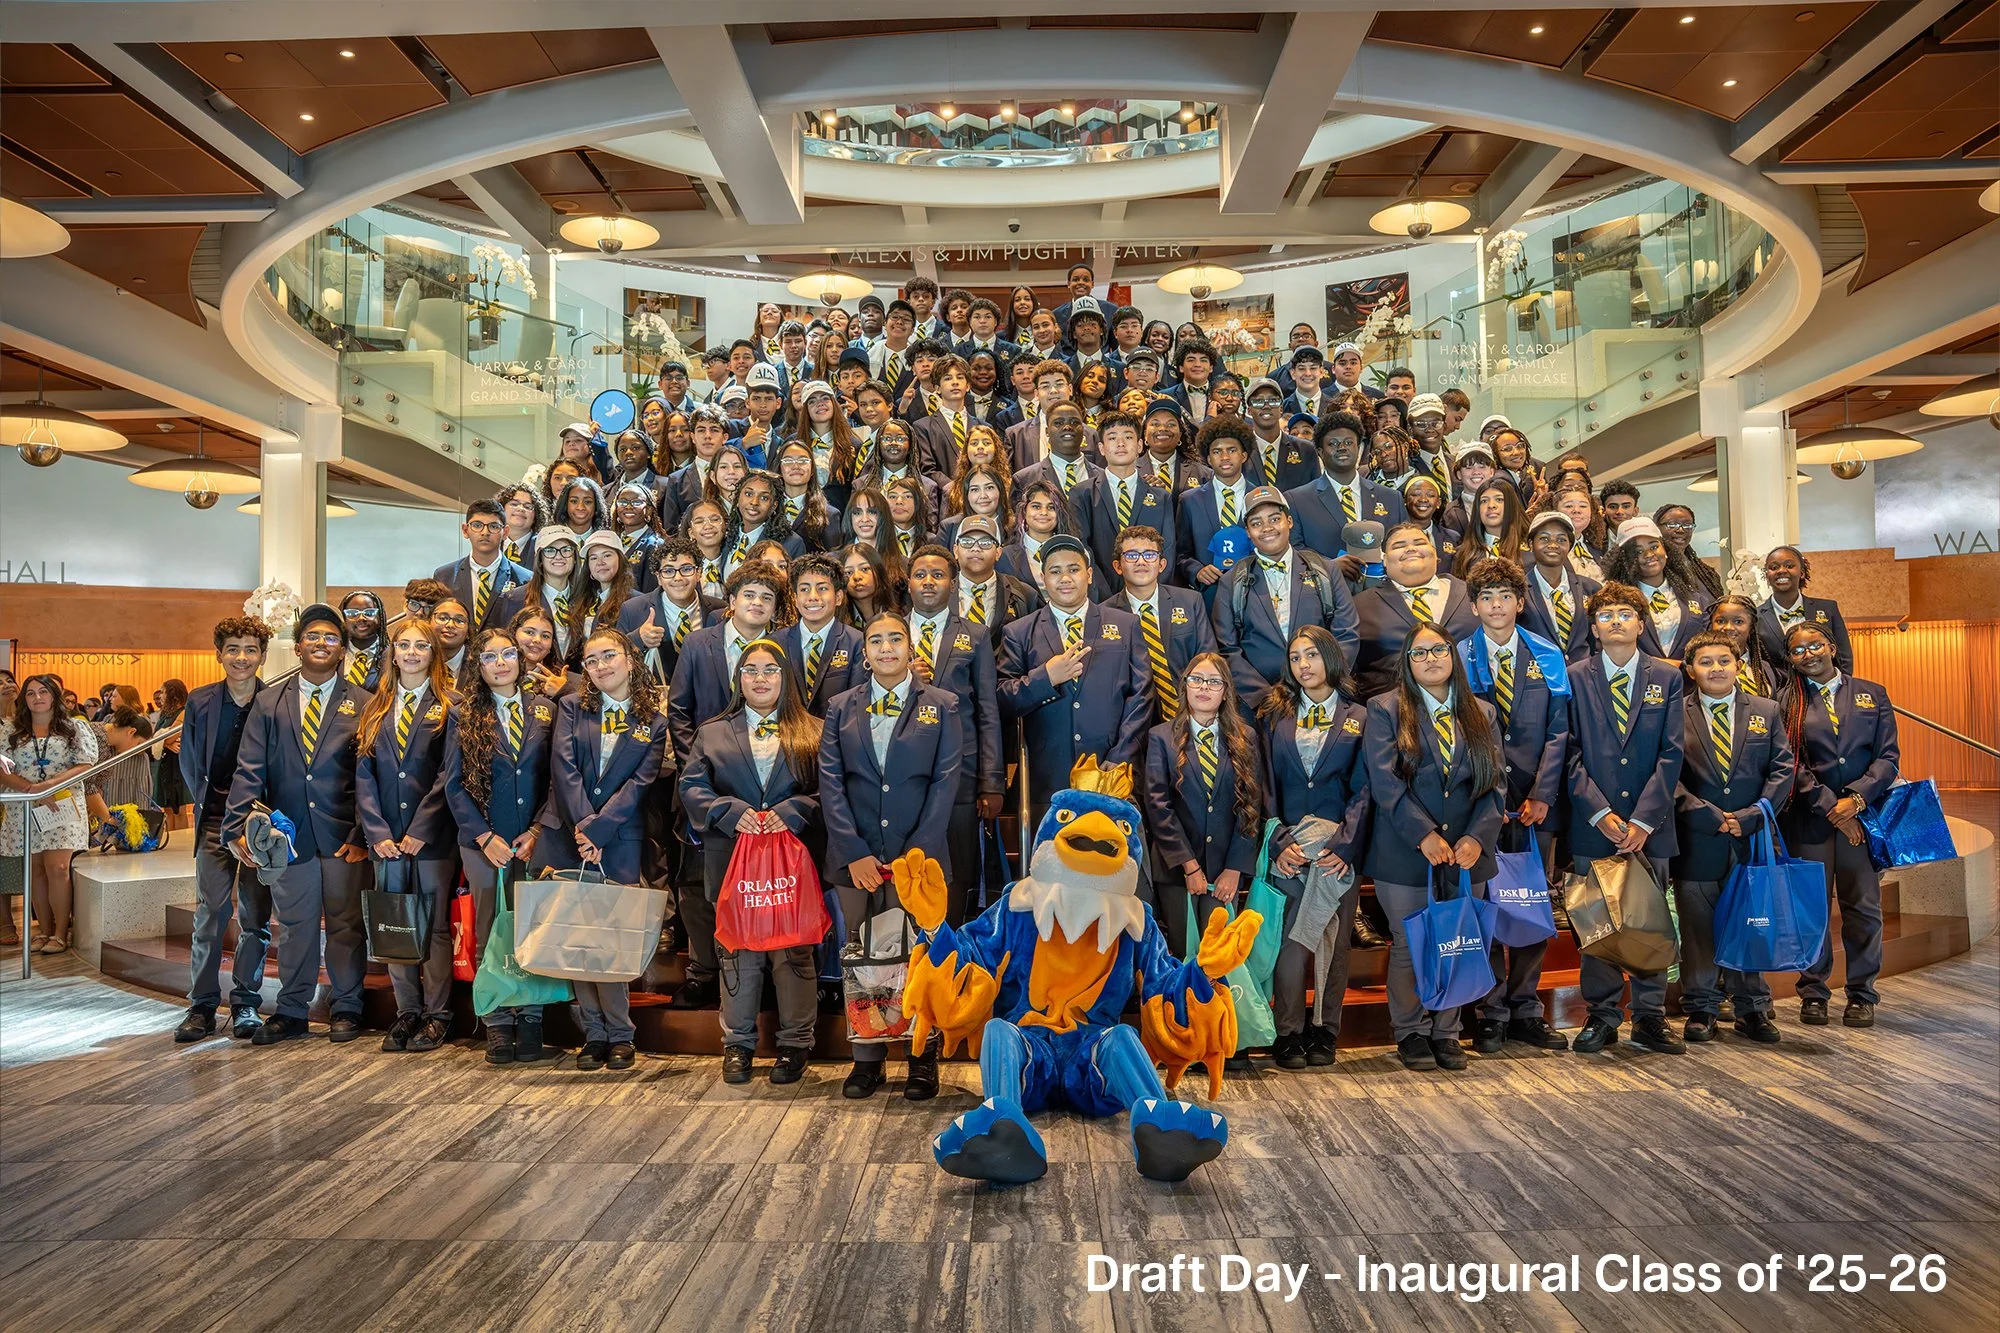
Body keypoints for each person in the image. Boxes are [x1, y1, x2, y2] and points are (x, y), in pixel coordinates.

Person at [820, 611, 962, 1099]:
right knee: (862, 959)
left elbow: (945, 784)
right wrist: (854, 851)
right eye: (876, 640)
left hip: (918, 861)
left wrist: (914, 857)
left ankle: (923, 1059)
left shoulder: (942, 704)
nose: (885, 648)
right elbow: (831, 786)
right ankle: (867, 1058)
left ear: (910, 647)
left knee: (919, 959)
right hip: (854, 859)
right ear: (865, 653)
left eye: (895, 639)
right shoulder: (840, 707)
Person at [222, 605, 370, 1047]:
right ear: (298, 645)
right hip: (287, 838)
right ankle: (291, 1009)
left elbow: (370, 775)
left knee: (345, 925)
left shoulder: (363, 702)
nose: (321, 643)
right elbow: (249, 769)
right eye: (313, 636)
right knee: (295, 925)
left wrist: (363, 834)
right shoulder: (269, 702)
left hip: (345, 838)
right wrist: (236, 825)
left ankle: (347, 1005)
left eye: (330, 637)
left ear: (342, 649)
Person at [1361, 619, 1506, 1071]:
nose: (1430, 659)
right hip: (1406, 851)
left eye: (1438, 650)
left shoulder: (1480, 712)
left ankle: (1446, 1031)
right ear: (1406, 662)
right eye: (1419, 653)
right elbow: (1385, 784)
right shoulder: (1384, 709)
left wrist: (1477, 840)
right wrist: (1424, 834)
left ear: (1453, 655)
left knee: (1460, 941)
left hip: (1466, 853)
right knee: (1410, 944)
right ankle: (1410, 1031)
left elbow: (1496, 786)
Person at [679, 640, 825, 1085]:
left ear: (787, 678)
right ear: (737, 680)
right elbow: (691, 788)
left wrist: (794, 811)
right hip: (731, 860)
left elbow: (831, 794)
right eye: (750, 670)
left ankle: (795, 1045)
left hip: (792, 862)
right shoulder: (713, 731)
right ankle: (738, 1045)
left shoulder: (815, 729)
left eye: (770, 670)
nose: (760, 678)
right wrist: (727, 811)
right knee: (737, 953)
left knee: (792, 951)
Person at [1564, 581, 1686, 1056]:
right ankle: (1603, 1015)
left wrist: (1643, 820)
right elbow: (1568, 752)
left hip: (1649, 827)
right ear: (1593, 627)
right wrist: (1601, 813)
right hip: (1594, 823)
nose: (1616, 620)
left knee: (1650, 921)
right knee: (1598, 923)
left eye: (1625, 613)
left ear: (1641, 623)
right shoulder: (1575, 675)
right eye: (1606, 614)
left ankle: (1651, 1017)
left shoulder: (1668, 677)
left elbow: (1672, 753)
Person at [542, 628, 672, 1071]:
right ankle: (593, 1033)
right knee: (578, 938)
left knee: (609, 940)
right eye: (592, 660)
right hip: (570, 835)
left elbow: (640, 783)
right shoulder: (571, 706)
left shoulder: (653, 720)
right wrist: (583, 826)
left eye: (609, 656)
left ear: (630, 660)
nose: (600, 666)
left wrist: (600, 830)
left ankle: (621, 1033)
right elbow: (565, 768)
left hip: (619, 838)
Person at [1456, 558, 1572, 1053]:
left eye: (1505, 596)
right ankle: (1490, 1010)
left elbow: (1559, 730)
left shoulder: (1547, 654)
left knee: (1528, 904)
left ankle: (1526, 1007)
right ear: (1475, 605)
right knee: (1483, 907)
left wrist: (1542, 793)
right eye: (1486, 598)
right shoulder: (1458, 655)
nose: (1496, 605)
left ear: (1520, 603)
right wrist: (1487, 796)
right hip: (1479, 801)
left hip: (1533, 805)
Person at [1253, 625, 1371, 1069]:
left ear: (1331, 659)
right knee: (1289, 941)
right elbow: (1264, 784)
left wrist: (1345, 844)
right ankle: (1288, 1031)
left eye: (1312, 655)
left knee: (1333, 942)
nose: (1304, 665)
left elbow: (1366, 788)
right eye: (1296, 657)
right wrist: (1278, 839)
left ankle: (1325, 1030)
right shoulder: (1273, 714)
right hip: (1289, 847)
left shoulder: (1360, 715)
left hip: (1338, 848)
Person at [1672, 630, 1794, 1046]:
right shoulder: (1674, 713)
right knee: (1698, 930)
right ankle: (1702, 1008)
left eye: (1724, 660)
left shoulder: (1766, 710)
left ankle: (1752, 1009)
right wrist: (1706, 815)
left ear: (1738, 666)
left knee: (1750, 925)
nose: (1716, 668)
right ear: (1691, 670)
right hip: (1697, 840)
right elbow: (1667, 775)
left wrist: (1752, 816)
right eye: (1706, 662)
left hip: (1750, 840)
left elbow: (1783, 770)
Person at [446, 629, 559, 1064]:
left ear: (519, 659)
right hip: (483, 844)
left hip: (534, 841)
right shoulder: (464, 714)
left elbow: (556, 780)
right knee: (491, 927)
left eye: (507, 654)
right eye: (489, 656)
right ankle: (497, 1020)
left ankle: (530, 1018)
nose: (500, 662)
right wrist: (484, 837)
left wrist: (536, 831)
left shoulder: (546, 711)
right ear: (478, 665)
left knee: (531, 929)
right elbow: (453, 786)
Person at [1780, 619, 1899, 1029]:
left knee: (1862, 909)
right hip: (1811, 821)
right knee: (1811, 911)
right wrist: (1833, 808)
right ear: (1790, 660)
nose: (1807, 654)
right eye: (1797, 650)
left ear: (1830, 646)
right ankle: (1813, 992)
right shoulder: (1786, 702)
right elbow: (1790, 765)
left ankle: (1862, 994)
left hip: (1862, 821)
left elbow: (1888, 758)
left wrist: (1856, 801)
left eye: (1814, 645)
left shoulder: (1872, 693)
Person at [353, 616, 459, 1053]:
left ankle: (437, 1015)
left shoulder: (450, 704)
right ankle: (407, 1011)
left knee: (433, 929)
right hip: (385, 842)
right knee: (394, 922)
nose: (412, 652)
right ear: (392, 653)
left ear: (434, 654)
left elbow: (449, 774)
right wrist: (376, 831)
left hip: (430, 840)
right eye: (404, 645)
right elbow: (364, 773)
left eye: (422, 646)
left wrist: (420, 828)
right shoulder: (375, 705)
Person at [997, 535, 1153, 826]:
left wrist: (1120, 754)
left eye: (1073, 569)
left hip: (1111, 774)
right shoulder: (1018, 632)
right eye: (1055, 571)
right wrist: (1046, 678)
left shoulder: (1125, 624)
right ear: (1043, 579)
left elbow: (1141, 694)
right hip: (1047, 779)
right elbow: (1003, 698)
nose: (1065, 578)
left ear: (1089, 574)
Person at [170, 618, 272, 1040]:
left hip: (260, 826)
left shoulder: (276, 700)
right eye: (233, 648)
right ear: (219, 653)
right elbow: (191, 762)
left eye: (250, 649)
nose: (241, 657)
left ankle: (247, 1003)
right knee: (211, 915)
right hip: (214, 822)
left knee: (255, 918)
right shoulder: (200, 701)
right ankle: (202, 1006)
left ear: (262, 655)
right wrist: (213, 808)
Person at [1142, 651, 1265, 965]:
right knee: (1183, 953)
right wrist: (1189, 866)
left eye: (1213, 681)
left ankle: (1217, 1015)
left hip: (1224, 868)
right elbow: (1159, 806)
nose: (1204, 688)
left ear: (1225, 692)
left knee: (1217, 958)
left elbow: (1251, 806)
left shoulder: (1245, 737)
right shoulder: (1161, 737)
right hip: (1177, 869)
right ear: (1184, 686)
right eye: (1196, 679)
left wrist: (1234, 869)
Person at [905, 545, 1005, 925]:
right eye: (920, 575)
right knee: (912, 869)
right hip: (905, 775)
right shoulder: (889, 634)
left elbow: (987, 711)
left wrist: (991, 782)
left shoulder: (976, 635)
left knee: (960, 871)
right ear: (909, 582)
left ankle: (957, 953)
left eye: (938, 575)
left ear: (953, 582)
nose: (928, 582)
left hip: (961, 775)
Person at [1213, 486, 1361, 712]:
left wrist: (1323, 684)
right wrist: (1264, 697)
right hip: (1262, 707)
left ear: (1289, 521)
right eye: (1256, 523)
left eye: (1274, 519)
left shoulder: (1325, 570)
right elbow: (1227, 649)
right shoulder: (1232, 581)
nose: (1267, 528)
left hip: (1326, 696)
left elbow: (1346, 633)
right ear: (1248, 533)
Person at [1, 673, 99, 958]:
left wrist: (48, 787)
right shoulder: (10, 730)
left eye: (43, 692)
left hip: (63, 805)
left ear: (55, 696)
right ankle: (43, 930)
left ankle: (59, 933)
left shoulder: (74, 727)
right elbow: (3, 770)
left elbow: (85, 764)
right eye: (30, 693)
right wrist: (32, 790)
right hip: (25, 806)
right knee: (36, 871)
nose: (37, 698)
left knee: (57, 869)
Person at [1350, 521, 1479, 699]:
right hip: (1396, 718)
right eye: (1399, 545)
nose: (1411, 549)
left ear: (1435, 554)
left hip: (1471, 710)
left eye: (1419, 543)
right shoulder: (1360, 606)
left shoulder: (1473, 594)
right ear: (1385, 560)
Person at [1111, 525, 1215, 728]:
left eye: (1149, 555)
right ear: (1118, 566)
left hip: (1191, 715)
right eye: (1131, 555)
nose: (1141, 561)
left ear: (1162, 564)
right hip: (1132, 724)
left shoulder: (1190, 601)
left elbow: (1209, 659)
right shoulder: (1105, 615)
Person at [1286, 410, 1406, 562]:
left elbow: (1404, 544)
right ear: (1320, 452)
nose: (1342, 447)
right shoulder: (1296, 500)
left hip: (1383, 582)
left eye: (1348, 442)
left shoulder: (1392, 498)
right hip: (1327, 583)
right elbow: (1295, 551)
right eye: (1333, 443)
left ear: (1358, 448)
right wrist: (1330, 567)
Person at [1076, 410, 1177, 586]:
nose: (1120, 443)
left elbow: (1167, 549)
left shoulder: (1161, 496)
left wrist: (1149, 590)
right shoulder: (1082, 493)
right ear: (1101, 448)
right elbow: (1083, 549)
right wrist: (1102, 593)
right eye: (1112, 438)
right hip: (1101, 595)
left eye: (1128, 437)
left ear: (1139, 445)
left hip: (1150, 591)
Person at [618, 536, 720, 689]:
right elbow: (613, 656)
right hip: (656, 704)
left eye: (686, 569)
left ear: (699, 573)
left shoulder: (719, 610)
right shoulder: (632, 610)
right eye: (668, 571)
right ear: (658, 577)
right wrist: (638, 639)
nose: (677, 578)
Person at [1603, 516, 1709, 661]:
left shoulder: (1695, 598)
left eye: (1654, 546)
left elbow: (1706, 645)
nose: (1649, 555)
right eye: (1638, 552)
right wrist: (1660, 667)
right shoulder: (1615, 602)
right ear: (1625, 559)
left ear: (1665, 549)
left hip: (1688, 681)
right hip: (1638, 681)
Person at [1176, 418, 1253, 606]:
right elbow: (1180, 554)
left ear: (1244, 455)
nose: (1225, 457)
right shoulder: (1189, 500)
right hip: (1209, 596)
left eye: (1231, 450)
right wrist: (1196, 571)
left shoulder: (1262, 497)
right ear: (1209, 459)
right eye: (1217, 452)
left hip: (1255, 594)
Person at [778, 553, 864, 715]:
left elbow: (856, 704)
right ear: (795, 598)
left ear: (838, 597)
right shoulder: (776, 643)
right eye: (804, 589)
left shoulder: (857, 643)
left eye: (822, 588)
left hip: (836, 734)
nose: (812, 597)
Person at [1758, 545, 1854, 675]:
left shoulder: (1828, 608)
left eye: (1789, 565)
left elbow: (1843, 657)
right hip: (1778, 693)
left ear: (1802, 572)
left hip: (1824, 689)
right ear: (1767, 575)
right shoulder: (1756, 616)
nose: (1781, 570)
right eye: (1774, 567)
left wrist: (1842, 690)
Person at [1519, 510, 1599, 660]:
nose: (1553, 545)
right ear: (1531, 544)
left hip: (1584, 676)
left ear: (1570, 546)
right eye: (1544, 539)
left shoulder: (1591, 588)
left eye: (1561, 540)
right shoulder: (1518, 591)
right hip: (1540, 678)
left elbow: (1598, 638)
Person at [953, 515, 1042, 643]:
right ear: (956, 550)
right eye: (967, 542)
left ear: (998, 552)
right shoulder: (940, 592)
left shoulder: (1024, 594)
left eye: (985, 543)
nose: (975, 548)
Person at [1705, 593, 1780, 697]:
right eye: (1720, 621)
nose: (1728, 627)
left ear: (1751, 628)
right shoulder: (1700, 668)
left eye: (1738, 621)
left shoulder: (1765, 669)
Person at [1453, 479, 1529, 577]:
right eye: (1484, 501)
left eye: (1499, 499)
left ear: (1512, 505)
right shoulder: (1462, 555)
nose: (1491, 505)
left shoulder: (1531, 549)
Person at [1654, 503, 1723, 602]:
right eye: (1672, 524)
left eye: (1687, 525)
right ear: (1656, 528)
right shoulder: (1653, 569)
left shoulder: (1703, 571)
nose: (1681, 530)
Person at [151, 678, 192, 828]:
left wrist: (163, 741)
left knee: (179, 808)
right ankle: (171, 843)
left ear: (172, 693)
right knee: (167, 808)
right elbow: (157, 738)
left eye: (162, 692)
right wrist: (167, 745)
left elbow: (166, 736)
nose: (160, 696)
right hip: (164, 763)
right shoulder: (165, 715)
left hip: (178, 765)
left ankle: (180, 842)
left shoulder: (184, 712)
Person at [337, 590, 388, 691]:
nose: (361, 618)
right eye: (352, 613)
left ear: (380, 617)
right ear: (344, 619)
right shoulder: (335, 655)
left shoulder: (392, 656)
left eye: (369, 613)